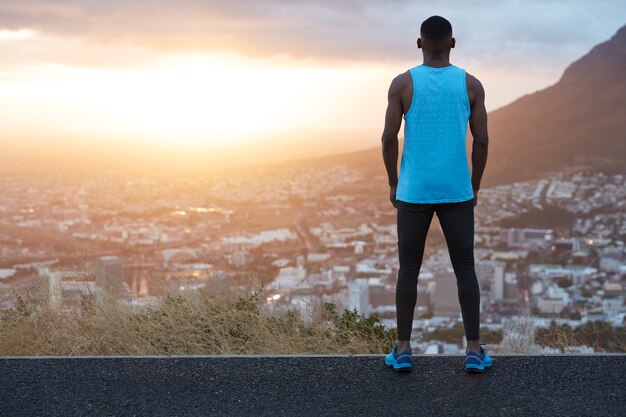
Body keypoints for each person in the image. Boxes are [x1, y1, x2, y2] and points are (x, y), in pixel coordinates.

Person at [381, 15, 491, 373]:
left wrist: (394, 183)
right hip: (457, 191)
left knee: (408, 268)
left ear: (419, 43)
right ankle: (473, 349)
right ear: (453, 43)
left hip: (413, 192)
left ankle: (403, 349)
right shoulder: (471, 85)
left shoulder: (402, 84)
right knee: (465, 268)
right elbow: (482, 141)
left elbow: (387, 139)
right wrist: (473, 186)